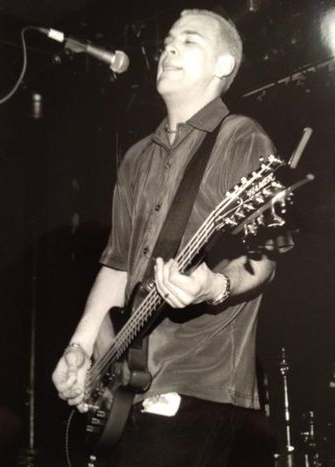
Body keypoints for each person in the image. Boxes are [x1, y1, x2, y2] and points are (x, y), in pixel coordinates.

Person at [52, 8, 291, 466]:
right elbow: (118, 264)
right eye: (168, 41)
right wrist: (81, 348)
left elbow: (265, 256)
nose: (170, 47)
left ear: (223, 66)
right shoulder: (138, 157)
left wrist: (213, 287)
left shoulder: (242, 139)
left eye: (190, 40)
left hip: (199, 380)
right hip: (129, 383)